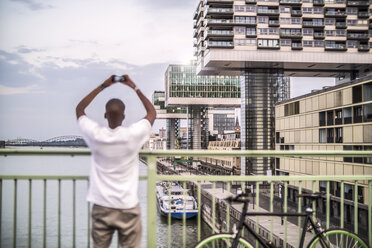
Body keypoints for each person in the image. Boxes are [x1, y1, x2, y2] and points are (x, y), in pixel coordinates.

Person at [76, 75, 156, 248]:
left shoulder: (96, 135)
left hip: (101, 207)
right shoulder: (132, 135)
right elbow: (152, 113)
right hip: (128, 207)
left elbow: (80, 110)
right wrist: (134, 88)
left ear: (105, 115)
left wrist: (103, 86)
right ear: (124, 116)